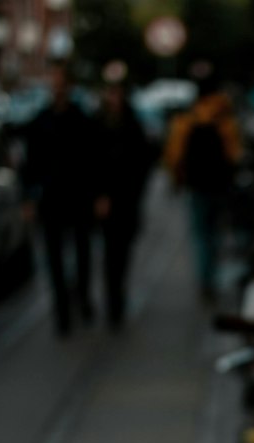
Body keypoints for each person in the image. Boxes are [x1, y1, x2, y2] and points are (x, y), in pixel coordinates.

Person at [23, 61, 99, 335]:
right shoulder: (40, 121)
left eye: (60, 83)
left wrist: (96, 195)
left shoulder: (81, 120)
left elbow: (93, 160)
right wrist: (29, 199)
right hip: (51, 200)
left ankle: (83, 298)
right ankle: (62, 312)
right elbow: (30, 164)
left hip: (78, 197)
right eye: (52, 83)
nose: (56, 89)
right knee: (54, 258)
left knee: (81, 254)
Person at [164, 65, 241, 302]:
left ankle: (204, 280)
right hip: (220, 185)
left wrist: (176, 179)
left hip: (197, 186)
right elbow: (234, 154)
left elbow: (174, 155)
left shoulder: (187, 119)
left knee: (200, 235)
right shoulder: (224, 118)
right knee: (216, 233)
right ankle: (212, 278)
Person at [95, 60, 155, 329]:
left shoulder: (133, 125)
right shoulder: (99, 125)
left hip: (126, 203)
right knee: (109, 256)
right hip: (107, 204)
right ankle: (112, 304)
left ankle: (117, 301)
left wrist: (133, 195)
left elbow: (142, 165)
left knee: (121, 255)